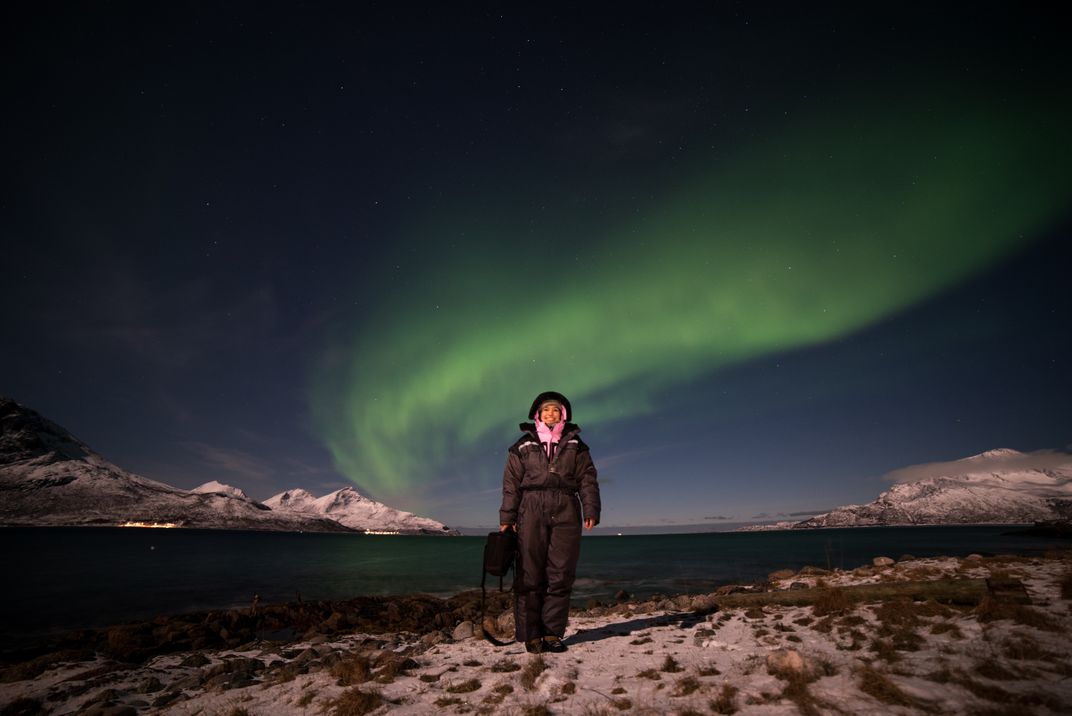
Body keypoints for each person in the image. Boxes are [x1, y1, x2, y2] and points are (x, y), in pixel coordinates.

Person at [499, 390, 601, 653]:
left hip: (567, 507)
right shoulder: (522, 445)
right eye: (546, 410)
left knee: (560, 573)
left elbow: (587, 478)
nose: (551, 414)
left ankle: (552, 633)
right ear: (537, 415)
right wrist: (508, 517)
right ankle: (531, 635)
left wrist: (591, 508)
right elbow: (511, 485)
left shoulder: (577, 445)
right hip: (530, 508)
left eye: (556, 410)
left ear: (563, 414)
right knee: (530, 574)